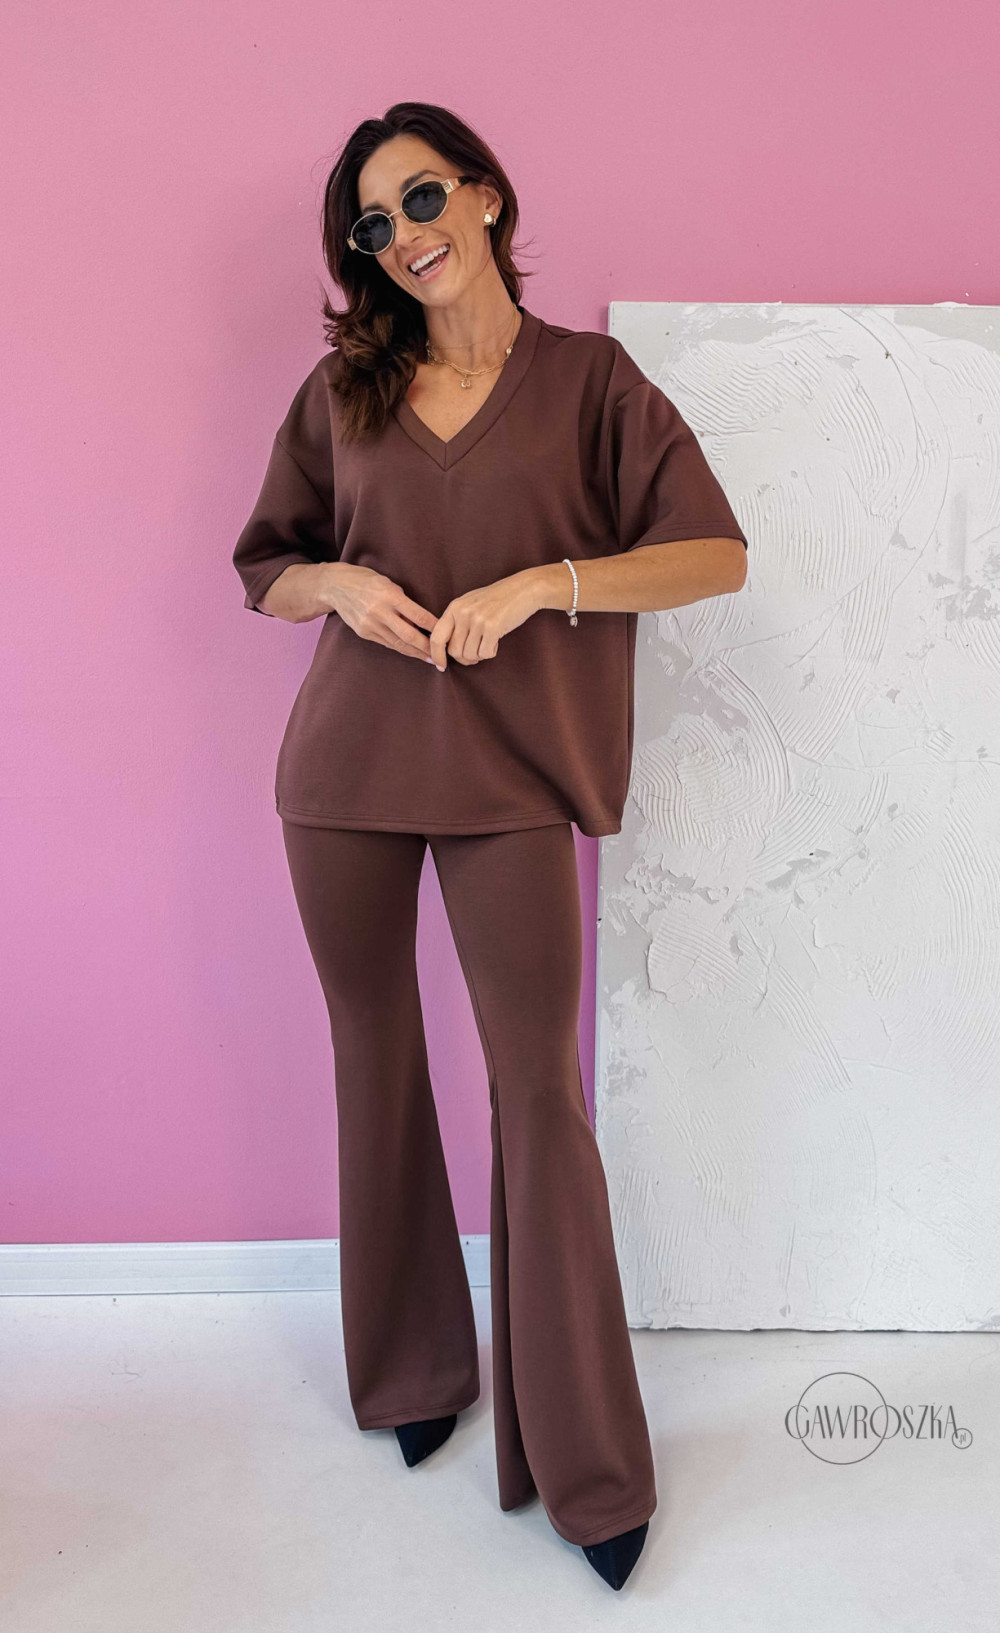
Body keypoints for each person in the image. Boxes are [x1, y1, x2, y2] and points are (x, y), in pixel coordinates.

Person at [232, 101, 748, 1591]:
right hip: (342, 775)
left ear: (487, 196)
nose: (403, 236)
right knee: (375, 1055)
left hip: (513, 781)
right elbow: (265, 564)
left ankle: (588, 1463)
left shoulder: (590, 384)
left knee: (538, 1091)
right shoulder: (346, 389)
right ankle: (411, 1373)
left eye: (422, 198)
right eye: (372, 225)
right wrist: (338, 584)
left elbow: (712, 552)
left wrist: (545, 586)